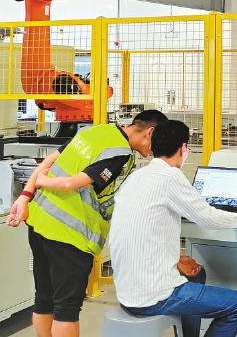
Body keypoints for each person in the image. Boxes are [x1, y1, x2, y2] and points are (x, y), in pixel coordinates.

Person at [6, 109, 168, 337]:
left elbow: (49, 161)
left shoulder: (94, 131)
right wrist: (42, 181)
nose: (154, 151)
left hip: (40, 222)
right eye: (157, 143)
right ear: (149, 132)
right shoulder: (120, 153)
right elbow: (71, 184)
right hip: (70, 235)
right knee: (66, 308)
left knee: (44, 299)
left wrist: (25, 196)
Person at [110, 120, 237, 337]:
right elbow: (208, 217)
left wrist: (176, 258)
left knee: (197, 274)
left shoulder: (137, 176)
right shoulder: (170, 176)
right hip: (153, 296)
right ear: (183, 148)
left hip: (127, 292)